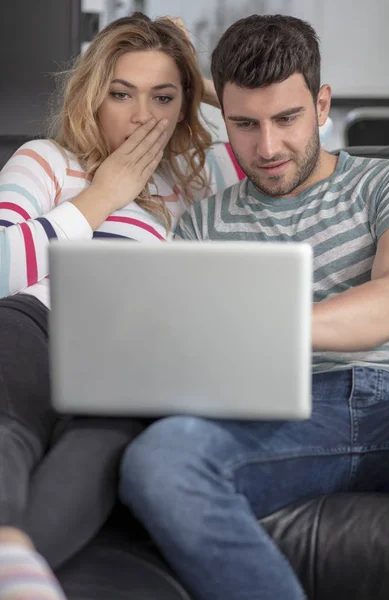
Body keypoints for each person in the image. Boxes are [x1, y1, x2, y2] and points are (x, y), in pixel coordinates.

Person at [119, 13, 389, 600]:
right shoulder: (199, 225)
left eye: (287, 118)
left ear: (322, 105)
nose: (267, 147)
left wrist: (259, 326)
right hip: (282, 414)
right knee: (160, 462)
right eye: (245, 124)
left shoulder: (385, 183)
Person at [0, 11, 239, 599]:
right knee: (12, 426)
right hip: (34, 324)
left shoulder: (199, 179)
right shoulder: (48, 160)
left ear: (185, 107)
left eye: (163, 98)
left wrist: (197, 72)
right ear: (93, 97)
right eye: (121, 94)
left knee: (107, 442)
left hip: (128, 357)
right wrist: (104, 194)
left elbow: (287, 137)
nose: (141, 116)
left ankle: (20, 562)